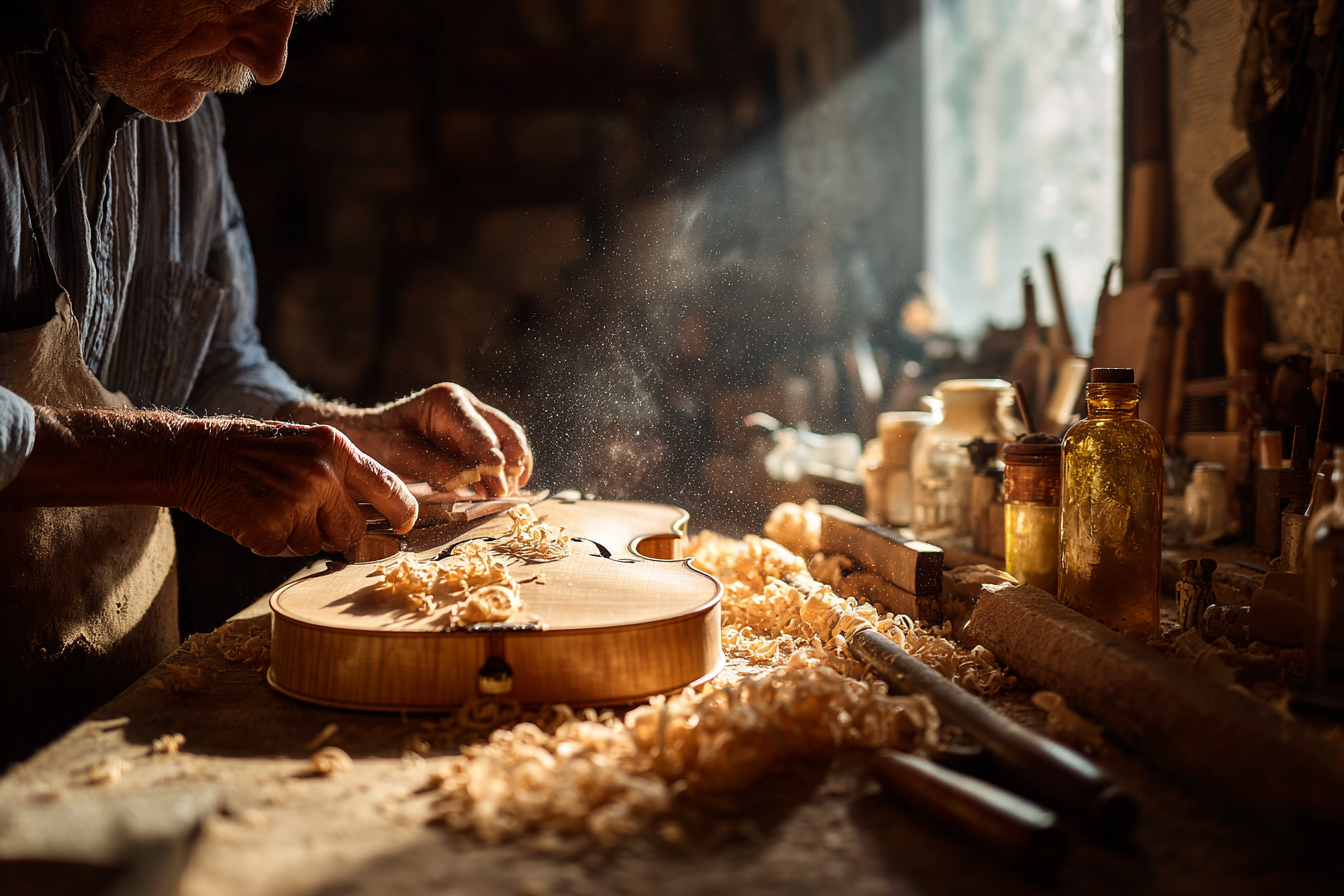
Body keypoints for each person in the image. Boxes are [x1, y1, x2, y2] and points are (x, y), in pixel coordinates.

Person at [0, 0, 533, 763]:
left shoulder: (185, 107)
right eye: (249, 3)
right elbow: (186, 441)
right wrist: (184, 460)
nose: (272, 59)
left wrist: (353, 431)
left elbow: (215, 359)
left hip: (115, 711)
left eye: (298, 11)